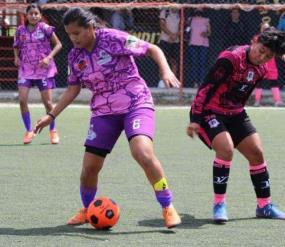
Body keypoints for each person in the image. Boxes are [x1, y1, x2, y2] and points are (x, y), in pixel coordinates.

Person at [34, 7, 181, 229]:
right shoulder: (75, 56)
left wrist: (165, 71)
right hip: (104, 111)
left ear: (91, 28)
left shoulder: (113, 39)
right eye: (69, 34)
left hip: (135, 102)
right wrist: (51, 115)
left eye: (77, 33)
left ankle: (167, 206)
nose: (73, 39)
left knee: (142, 152)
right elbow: (72, 89)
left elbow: (152, 48)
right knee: (89, 168)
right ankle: (87, 209)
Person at [186, 27, 285, 223]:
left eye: (268, 56)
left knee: (256, 152)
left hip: (235, 113)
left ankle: (264, 206)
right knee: (226, 149)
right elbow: (207, 87)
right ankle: (219, 204)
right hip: (210, 110)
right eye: (261, 51)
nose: (262, 57)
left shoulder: (261, 69)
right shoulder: (231, 58)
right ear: (255, 41)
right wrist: (196, 119)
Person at [13, 3, 62, 144]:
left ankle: (53, 130)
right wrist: (16, 57)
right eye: (31, 13)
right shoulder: (20, 30)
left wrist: (48, 57)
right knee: (22, 100)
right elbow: (16, 46)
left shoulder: (45, 28)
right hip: (26, 69)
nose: (34, 16)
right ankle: (29, 131)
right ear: (26, 15)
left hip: (44, 71)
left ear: (40, 15)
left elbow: (59, 44)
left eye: (36, 13)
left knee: (47, 103)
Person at [254, 22, 285, 107]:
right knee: (259, 82)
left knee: (274, 82)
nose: (266, 30)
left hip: (271, 65)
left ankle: (278, 101)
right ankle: (257, 102)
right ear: (260, 29)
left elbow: (278, 49)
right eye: (264, 28)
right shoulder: (257, 38)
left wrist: (283, 54)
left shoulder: (274, 39)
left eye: (268, 28)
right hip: (261, 64)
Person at [187, 8, 211, 88]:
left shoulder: (206, 19)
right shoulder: (190, 19)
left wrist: (206, 33)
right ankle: (195, 82)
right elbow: (186, 30)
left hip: (203, 44)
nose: (198, 9)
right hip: (193, 44)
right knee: (194, 64)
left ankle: (201, 82)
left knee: (202, 64)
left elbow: (209, 32)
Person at [158, 8, 180, 88]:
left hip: (176, 41)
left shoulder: (180, 13)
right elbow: (162, 26)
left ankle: (173, 83)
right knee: (163, 61)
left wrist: (175, 35)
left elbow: (182, 27)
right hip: (165, 40)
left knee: (174, 62)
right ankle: (162, 82)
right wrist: (171, 35)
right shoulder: (165, 11)